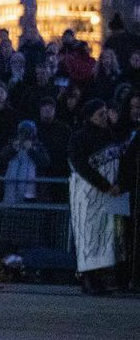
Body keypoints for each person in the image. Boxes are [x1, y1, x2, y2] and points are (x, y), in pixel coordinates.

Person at [68, 99, 125, 294]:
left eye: (105, 113)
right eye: (99, 114)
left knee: (113, 234)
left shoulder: (112, 134)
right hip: (90, 193)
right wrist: (104, 185)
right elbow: (80, 165)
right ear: (90, 116)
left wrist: (118, 185)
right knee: (90, 234)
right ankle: (89, 279)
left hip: (115, 192)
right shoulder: (79, 137)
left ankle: (109, 277)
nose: (104, 117)